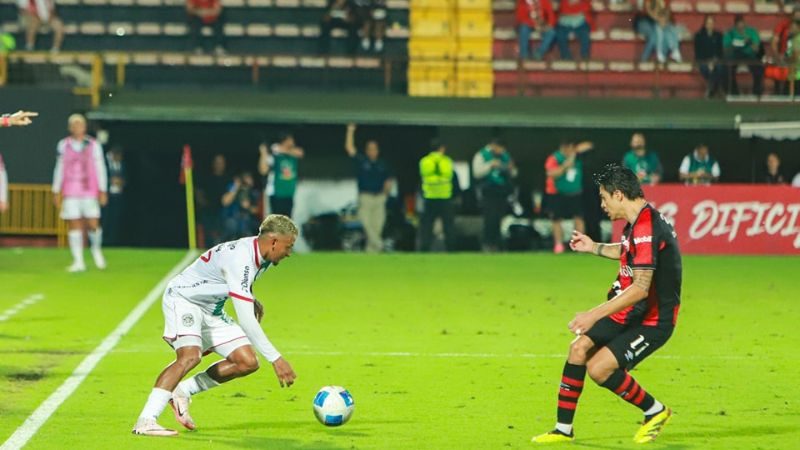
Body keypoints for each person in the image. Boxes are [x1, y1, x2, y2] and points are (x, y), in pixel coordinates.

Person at [531, 164, 681, 445]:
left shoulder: (647, 227)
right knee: (578, 349)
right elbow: (627, 253)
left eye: (604, 197)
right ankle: (563, 429)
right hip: (629, 311)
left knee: (599, 368)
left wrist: (592, 314)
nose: (602, 205)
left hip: (652, 320)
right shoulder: (637, 223)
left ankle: (655, 411)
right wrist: (593, 247)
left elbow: (640, 288)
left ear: (620, 195)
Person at [132, 214, 298, 437]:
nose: (289, 253)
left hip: (211, 308)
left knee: (247, 362)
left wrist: (250, 297)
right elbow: (247, 322)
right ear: (274, 241)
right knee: (190, 356)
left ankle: (182, 391)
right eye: (288, 247)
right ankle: (146, 420)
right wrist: (276, 359)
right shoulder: (241, 259)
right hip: (184, 299)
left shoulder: (262, 256)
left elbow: (236, 281)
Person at [51, 114, 108, 272]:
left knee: (93, 223)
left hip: (89, 189)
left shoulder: (93, 144)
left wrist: (102, 189)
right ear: (70, 128)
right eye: (74, 125)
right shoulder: (63, 145)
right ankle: (78, 260)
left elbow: (100, 167)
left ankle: (96, 249)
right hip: (71, 190)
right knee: (73, 223)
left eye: (80, 124)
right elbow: (59, 168)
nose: (77, 127)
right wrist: (56, 190)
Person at [345, 123, 393, 253]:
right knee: (366, 224)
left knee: (377, 226)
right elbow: (350, 149)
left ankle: (372, 253)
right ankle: (381, 244)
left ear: (378, 150)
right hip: (365, 197)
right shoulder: (362, 161)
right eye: (370, 149)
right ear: (366, 150)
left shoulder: (382, 164)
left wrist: (385, 194)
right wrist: (350, 131)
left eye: (374, 149)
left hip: (379, 197)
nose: (372, 151)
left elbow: (388, 180)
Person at [544, 140, 592, 254]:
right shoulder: (554, 158)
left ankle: (579, 244)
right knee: (556, 219)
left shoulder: (577, 156)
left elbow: (589, 145)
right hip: (557, 193)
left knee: (578, 218)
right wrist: (565, 166)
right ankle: (559, 244)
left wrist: (575, 152)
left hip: (575, 193)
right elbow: (551, 174)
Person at [472, 138, 518, 252]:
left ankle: (497, 244)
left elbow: (514, 173)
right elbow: (476, 173)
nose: (501, 152)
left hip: (502, 192)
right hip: (488, 192)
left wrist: (510, 168)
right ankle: (487, 243)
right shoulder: (481, 155)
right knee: (489, 218)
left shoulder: (505, 156)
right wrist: (490, 165)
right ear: (493, 146)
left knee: (499, 219)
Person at [418, 139, 455, 252]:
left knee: (427, 226)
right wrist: (441, 179)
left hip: (430, 197)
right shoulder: (447, 161)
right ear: (442, 148)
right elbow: (449, 176)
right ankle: (451, 249)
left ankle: (424, 249)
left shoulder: (424, 161)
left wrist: (434, 179)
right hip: (445, 197)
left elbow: (424, 176)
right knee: (448, 226)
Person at [258, 133, 303, 218]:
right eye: (290, 140)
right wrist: (264, 153)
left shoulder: (291, 154)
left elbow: (300, 152)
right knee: (277, 221)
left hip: (289, 193)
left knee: (287, 221)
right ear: (285, 141)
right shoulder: (275, 156)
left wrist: (279, 149)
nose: (293, 142)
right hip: (277, 193)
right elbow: (263, 170)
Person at [724, 15, 764, 96]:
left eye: (742, 24)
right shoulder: (730, 33)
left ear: (745, 24)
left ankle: (756, 92)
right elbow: (726, 50)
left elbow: (756, 49)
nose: (740, 27)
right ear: (735, 25)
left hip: (749, 55)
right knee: (728, 68)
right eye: (738, 25)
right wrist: (733, 45)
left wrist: (749, 41)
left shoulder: (752, 32)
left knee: (759, 67)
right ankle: (734, 92)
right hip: (735, 55)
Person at [197, 154, 229, 247]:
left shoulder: (228, 178)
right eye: (217, 162)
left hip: (224, 211)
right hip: (208, 210)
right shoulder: (207, 178)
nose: (219, 165)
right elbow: (199, 191)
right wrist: (202, 201)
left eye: (221, 163)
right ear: (213, 164)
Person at [221, 171, 261, 241]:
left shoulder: (253, 192)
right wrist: (236, 187)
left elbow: (256, 209)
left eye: (249, 178)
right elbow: (225, 202)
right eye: (245, 178)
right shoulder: (233, 188)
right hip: (231, 218)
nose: (247, 181)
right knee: (232, 225)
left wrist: (248, 207)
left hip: (247, 220)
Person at [694, 15, 727, 98]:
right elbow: (698, 53)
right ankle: (717, 88)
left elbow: (720, 52)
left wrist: (714, 61)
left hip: (716, 61)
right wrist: (708, 62)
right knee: (705, 68)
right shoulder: (699, 36)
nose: (710, 25)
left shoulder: (719, 36)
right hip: (703, 60)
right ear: (705, 24)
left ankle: (711, 88)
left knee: (720, 68)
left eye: (712, 23)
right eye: (708, 23)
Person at [102, 145, 126, 246]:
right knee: (105, 218)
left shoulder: (122, 165)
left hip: (117, 195)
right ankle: (103, 240)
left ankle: (113, 241)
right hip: (107, 195)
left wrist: (122, 182)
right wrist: (110, 181)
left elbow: (126, 177)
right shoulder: (105, 163)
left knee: (115, 219)